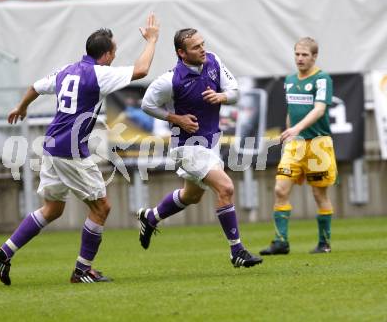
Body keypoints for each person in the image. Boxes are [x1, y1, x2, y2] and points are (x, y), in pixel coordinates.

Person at [0, 14, 160, 285]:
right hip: (71, 151)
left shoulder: (67, 70)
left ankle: (3, 254)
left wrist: (21, 107)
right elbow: (141, 70)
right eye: (114, 51)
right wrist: (152, 40)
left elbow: (34, 87)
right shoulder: (100, 74)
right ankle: (82, 270)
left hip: (52, 145)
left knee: (52, 209)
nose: (115, 56)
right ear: (106, 54)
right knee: (101, 207)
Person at [138, 28, 262, 268]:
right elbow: (146, 104)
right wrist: (176, 119)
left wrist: (221, 97)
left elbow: (235, 92)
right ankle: (237, 251)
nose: (202, 49)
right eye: (196, 47)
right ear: (181, 53)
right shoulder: (170, 80)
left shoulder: (213, 60)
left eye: (202, 44)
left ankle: (151, 217)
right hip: (187, 147)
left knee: (191, 196)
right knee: (225, 187)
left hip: (210, 144)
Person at [259, 37, 337, 255]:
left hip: (318, 144)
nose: (300, 58)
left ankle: (324, 243)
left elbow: (319, 109)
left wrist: (296, 129)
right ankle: (281, 242)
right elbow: (291, 111)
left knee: (318, 195)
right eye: (297, 54)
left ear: (314, 56)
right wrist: (289, 133)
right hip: (296, 145)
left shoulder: (322, 79)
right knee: (279, 188)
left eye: (305, 55)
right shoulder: (290, 80)